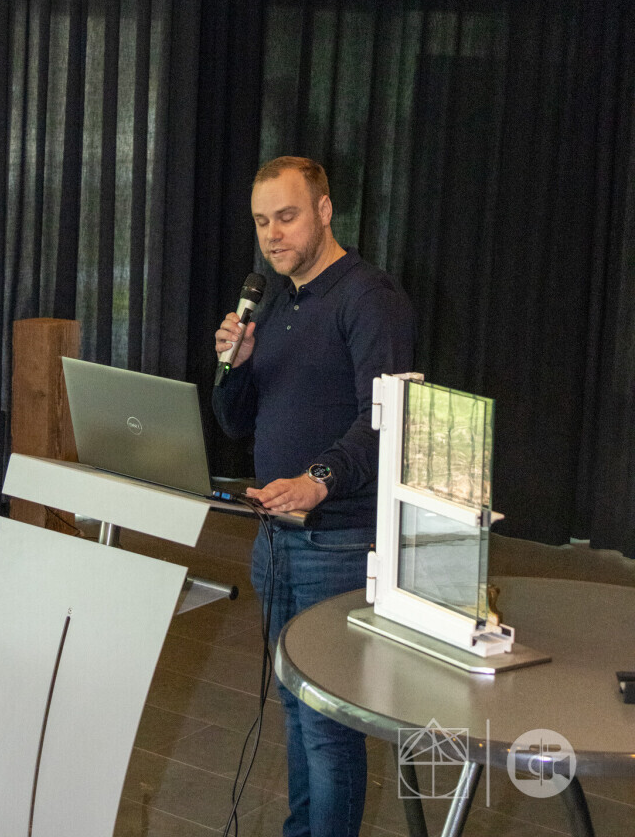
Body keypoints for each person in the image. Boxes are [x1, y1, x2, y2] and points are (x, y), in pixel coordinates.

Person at [212, 156, 415, 837]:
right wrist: (235, 368)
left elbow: (385, 421)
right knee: (297, 711)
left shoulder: (369, 298)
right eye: (261, 221)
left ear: (325, 211)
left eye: (287, 216)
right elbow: (235, 422)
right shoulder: (272, 302)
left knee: (328, 726)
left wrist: (318, 479)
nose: (272, 234)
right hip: (274, 537)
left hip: (340, 542)